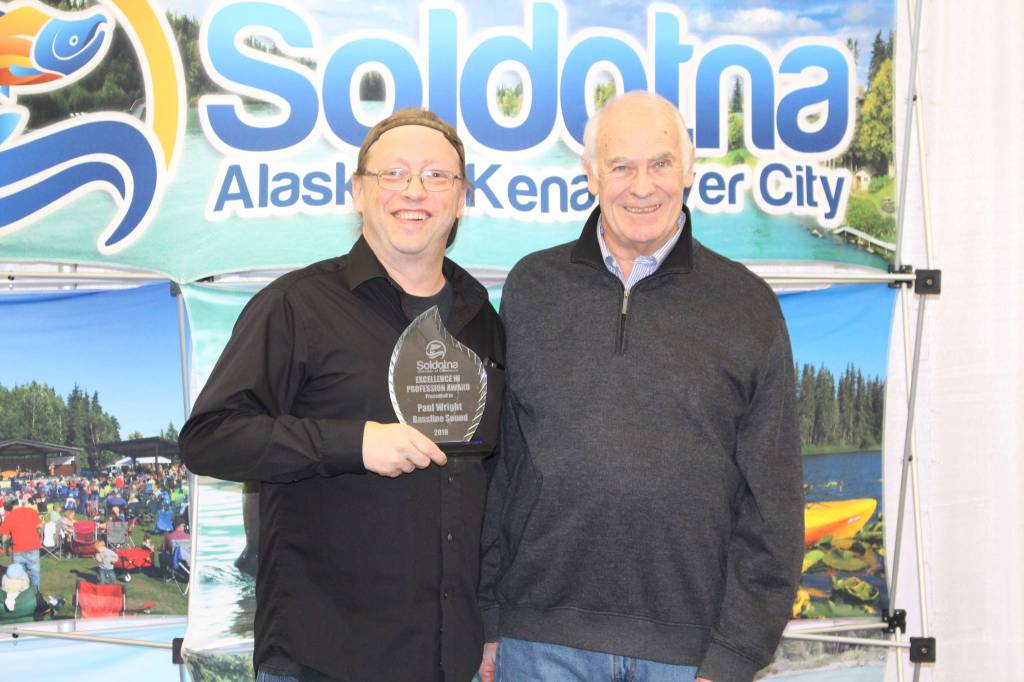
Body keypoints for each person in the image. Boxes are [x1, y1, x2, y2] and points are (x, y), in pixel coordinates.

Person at [477, 92, 803, 682]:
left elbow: (774, 501)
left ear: (688, 168)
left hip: (692, 653)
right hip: (540, 642)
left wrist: (735, 655)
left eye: (660, 163)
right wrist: (489, 616)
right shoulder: (533, 287)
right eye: (621, 166)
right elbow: (504, 467)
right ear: (591, 175)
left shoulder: (747, 304)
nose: (642, 186)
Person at [179, 107, 504, 682]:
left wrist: (491, 626)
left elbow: (494, 480)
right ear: (358, 191)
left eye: (436, 176)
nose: (415, 191)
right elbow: (210, 438)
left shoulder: (482, 319)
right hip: (324, 657)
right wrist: (352, 444)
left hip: (448, 659)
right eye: (394, 174)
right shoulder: (295, 306)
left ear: (461, 198)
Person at [0, 498, 43, 588]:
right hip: (33, 547)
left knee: (18, 576)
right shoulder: (31, 511)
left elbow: (4, 537)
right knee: (34, 574)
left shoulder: (9, 517)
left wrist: (7, 541)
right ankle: (36, 595)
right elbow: (39, 526)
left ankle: (21, 596)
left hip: (18, 549)